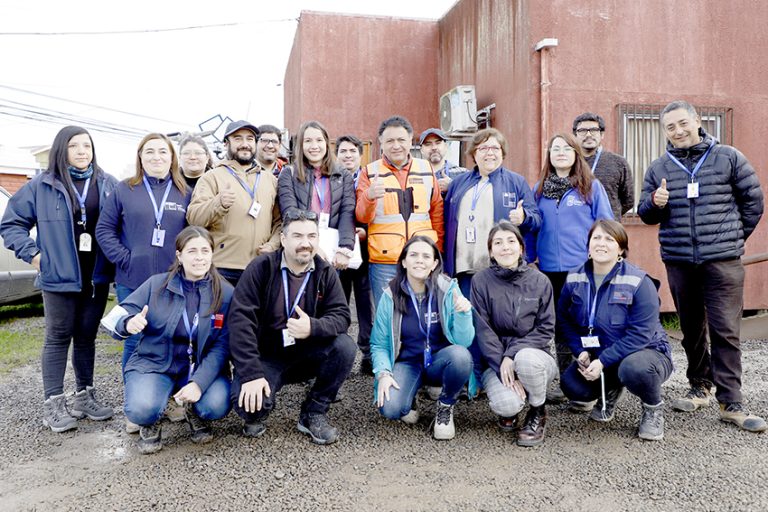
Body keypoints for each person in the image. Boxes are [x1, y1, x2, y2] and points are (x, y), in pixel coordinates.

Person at [639, 100, 766, 433]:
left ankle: (731, 400)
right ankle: (700, 385)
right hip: (680, 259)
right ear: (663, 131)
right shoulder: (658, 168)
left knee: (725, 329)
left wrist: (731, 239)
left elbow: (753, 201)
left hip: (722, 260)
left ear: (697, 121)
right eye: (670, 127)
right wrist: (655, 203)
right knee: (692, 328)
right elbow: (645, 213)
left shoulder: (729, 157)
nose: (678, 131)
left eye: (683, 123)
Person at [1, 126, 117, 432]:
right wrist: (35, 256)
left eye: (87, 146)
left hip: (96, 277)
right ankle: (53, 404)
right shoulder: (42, 185)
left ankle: (84, 396)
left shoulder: (107, 184)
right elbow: (11, 224)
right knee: (57, 338)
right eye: (74, 146)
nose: (82, 152)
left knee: (86, 337)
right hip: (58, 277)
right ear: (61, 150)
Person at [228, 210, 355, 445]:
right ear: (284, 239)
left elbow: (341, 316)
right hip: (267, 355)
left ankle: (313, 412)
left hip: (306, 352)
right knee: (251, 410)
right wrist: (251, 373)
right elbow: (240, 322)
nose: (305, 244)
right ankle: (262, 392)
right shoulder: (261, 268)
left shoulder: (325, 271)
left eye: (311, 236)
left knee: (345, 347)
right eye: (297, 236)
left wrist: (313, 327)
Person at [107, 226, 233, 454]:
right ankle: (150, 421)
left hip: (199, 368)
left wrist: (199, 383)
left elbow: (222, 345)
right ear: (179, 255)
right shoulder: (156, 285)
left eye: (205, 251)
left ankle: (194, 411)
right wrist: (127, 323)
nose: (199, 257)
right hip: (155, 365)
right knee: (141, 408)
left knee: (217, 404)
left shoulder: (225, 293)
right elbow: (116, 316)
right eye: (192, 251)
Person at [558, 220, 673, 440]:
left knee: (635, 368)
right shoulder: (574, 278)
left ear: (621, 249)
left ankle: (652, 408)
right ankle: (610, 389)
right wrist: (580, 350)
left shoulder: (638, 281)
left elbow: (641, 334)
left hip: (646, 352)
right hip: (601, 353)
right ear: (589, 245)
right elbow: (564, 321)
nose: (601, 243)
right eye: (596, 238)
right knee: (572, 385)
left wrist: (602, 361)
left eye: (609, 239)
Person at [96, 133, 191, 375]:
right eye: (149, 151)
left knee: (172, 337)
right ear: (140, 156)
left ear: (172, 157)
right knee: (135, 337)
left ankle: (170, 397)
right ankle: (134, 398)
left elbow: (194, 235)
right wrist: (126, 259)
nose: (156, 156)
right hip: (133, 280)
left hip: (173, 281)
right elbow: (104, 229)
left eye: (162, 151)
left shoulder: (185, 192)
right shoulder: (125, 189)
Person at [371, 236, 475, 441]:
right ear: (403, 261)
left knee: (461, 357)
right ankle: (410, 396)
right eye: (414, 255)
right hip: (408, 362)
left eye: (426, 256)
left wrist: (464, 314)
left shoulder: (448, 290)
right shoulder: (390, 295)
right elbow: (378, 344)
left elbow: (464, 343)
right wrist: (383, 373)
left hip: (439, 360)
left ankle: (445, 406)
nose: (420, 260)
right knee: (391, 409)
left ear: (434, 263)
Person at [533, 133, 613, 379]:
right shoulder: (538, 189)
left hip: (581, 267)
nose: (560, 153)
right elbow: (532, 226)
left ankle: (595, 376)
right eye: (555, 148)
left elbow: (606, 223)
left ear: (576, 155)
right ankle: (568, 378)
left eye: (567, 149)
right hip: (549, 269)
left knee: (585, 321)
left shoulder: (590, 186)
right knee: (560, 324)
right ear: (549, 155)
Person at [471, 221, 557, 446]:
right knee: (506, 405)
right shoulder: (480, 281)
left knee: (525, 359)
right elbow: (483, 331)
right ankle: (513, 406)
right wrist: (502, 363)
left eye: (511, 241)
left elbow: (546, 328)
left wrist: (512, 355)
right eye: (498, 243)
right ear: (491, 251)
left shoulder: (540, 281)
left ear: (521, 247)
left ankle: (538, 410)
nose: (505, 247)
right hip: (496, 361)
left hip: (534, 357)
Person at [355, 115, 445, 307]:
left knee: (423, 311)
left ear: (410, 140)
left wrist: (438, 250)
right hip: (385, 259)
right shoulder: (369, 172)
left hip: (422, 256)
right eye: (390, 141)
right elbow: (361, 215)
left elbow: (436, 212)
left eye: (401, 140)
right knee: (387, 314)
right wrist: (370, 196)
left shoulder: (426, 169)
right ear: (381, 143)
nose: (396, 146)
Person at [187, 120, 282, 286]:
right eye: (238, 139)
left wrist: (273, 245)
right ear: (226, 144)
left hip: (260, 266)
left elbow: (279, 222)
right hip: (222, 268)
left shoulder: (270, 180)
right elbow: (193, 218)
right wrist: (218, 203)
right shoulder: (212, 177)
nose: (245, 144)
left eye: (250, 139)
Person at [278, 121, 356, 271]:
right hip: (302, 250)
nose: (314, 146)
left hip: (334, 254)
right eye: (308, 141)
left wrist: (345, 248)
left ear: (326, 143)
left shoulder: (343, 175)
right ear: (300, 145)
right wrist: (313, 247)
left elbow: (347, 212)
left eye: (319, 140)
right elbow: (290, 212)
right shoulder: (289, 174)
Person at [336, 134, 375, 374]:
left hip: (366, 250)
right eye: (343, 151)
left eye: (352, 151)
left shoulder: (369, 178)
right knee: (338, 303)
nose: (348, 155)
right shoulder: (332, 179)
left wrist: (365, 233)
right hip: (339, 250)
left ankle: (368, 354)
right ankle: (339, 353)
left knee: (365, 305)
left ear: (360, 155)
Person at [572, 113, 634, 219]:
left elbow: (628, 200)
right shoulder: (569, 163)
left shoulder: (618, 163)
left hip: (608, 229)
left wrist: (610, 213)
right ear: (575, 135)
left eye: (594, 130)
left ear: (602, 134)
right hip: (577, 228)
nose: (588, 135)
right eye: (582, 131)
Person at [419, 128, 468, 194]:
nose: (434, 147)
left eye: (438, 143)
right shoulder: (415, 175)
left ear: (446, 146)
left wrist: (452, 186)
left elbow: (473, 196)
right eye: (428, 144)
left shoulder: (462, 173)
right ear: (421, 150)